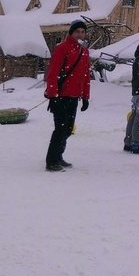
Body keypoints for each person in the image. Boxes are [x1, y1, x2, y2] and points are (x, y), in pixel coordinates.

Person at [43, 20, 91, 172]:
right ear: (71, 33)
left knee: (69, 128)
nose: (80, 34)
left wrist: (85, 97)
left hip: (74, 96)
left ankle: (58, 156)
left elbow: (85, 76)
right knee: (60, 128)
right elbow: (53, 73)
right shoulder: (62, 48)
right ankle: (51, 161)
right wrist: (53, 94)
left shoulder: (84, 51)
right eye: (77, 31)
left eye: (82, 32)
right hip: (61, 95)